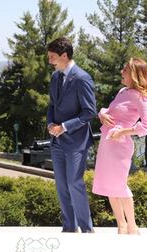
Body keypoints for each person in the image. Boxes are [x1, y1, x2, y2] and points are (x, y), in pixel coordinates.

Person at [92, 58, 147, 235]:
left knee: (120, 184)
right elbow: (111, 111)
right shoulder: (122, 92)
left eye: (125, 69)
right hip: (107, 143)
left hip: (120, 146)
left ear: (135, 74)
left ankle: (133, 226)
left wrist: (123, 132)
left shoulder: (141, 96)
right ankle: (121, 225)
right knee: (109, 184)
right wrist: (102, 113)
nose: (121, 72)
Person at [46, 37, 97, 233]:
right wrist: (51, 123)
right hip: (56, 140)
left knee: (74, 182)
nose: (50, 61)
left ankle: (87, 229)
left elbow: (89, 111)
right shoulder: (55, 77)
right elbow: (52, 105)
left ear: (64, 55)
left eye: (52, 57)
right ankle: (68, 227)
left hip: (76, 140)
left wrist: (65, 127)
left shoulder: (82, 78)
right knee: (61, 185)